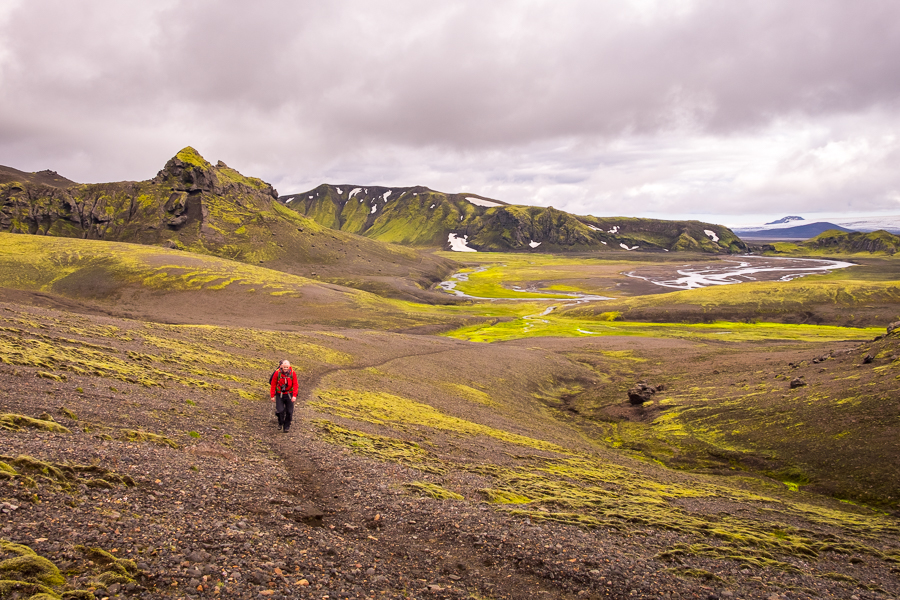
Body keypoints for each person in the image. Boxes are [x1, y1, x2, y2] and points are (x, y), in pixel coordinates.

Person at [270, 360, 298, 433]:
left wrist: (294, 396)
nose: (285, 369)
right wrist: (272, 395)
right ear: (281, 366)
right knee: (280, 410)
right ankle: (280, 422)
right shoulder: (277, 373)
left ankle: (286, 426)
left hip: (289, 394)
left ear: (289, 367)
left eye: (287, 367)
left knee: (289, 412)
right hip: (280, 394)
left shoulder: (293, 373)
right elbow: (273, 384)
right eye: (284, 367)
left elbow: (295, 385)